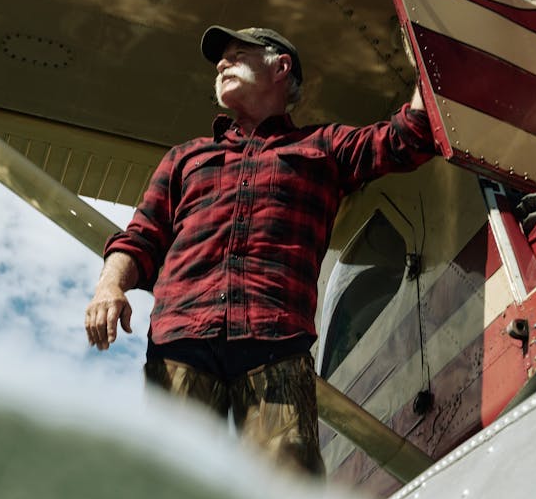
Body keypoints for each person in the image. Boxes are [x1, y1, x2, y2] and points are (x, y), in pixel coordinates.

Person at [84, 25, 434, 475]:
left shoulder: (322, 146)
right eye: (219, 60)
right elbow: (141, 236)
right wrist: (108, 286)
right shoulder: (185, 158)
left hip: (276, 347)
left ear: (280, 67)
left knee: (287, 492)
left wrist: (427, 49)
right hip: (181, 342)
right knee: (171, 489)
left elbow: (410, 136)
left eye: (235, 54)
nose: (221, 65)